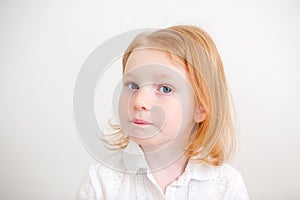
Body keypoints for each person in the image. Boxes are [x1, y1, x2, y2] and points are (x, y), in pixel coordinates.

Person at [76, 25, 249, 200]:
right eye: (133, 86)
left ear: (200, 107)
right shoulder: (101, 182)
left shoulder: (226, 186)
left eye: (165, 89)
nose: (139, 101)